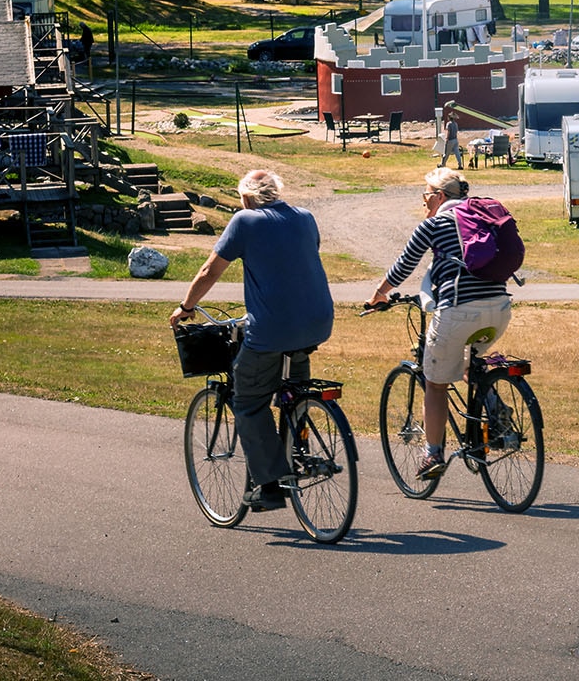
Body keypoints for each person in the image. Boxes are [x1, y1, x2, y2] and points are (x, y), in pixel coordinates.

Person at [169, 170, 334, 512]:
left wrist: (187, 307)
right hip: (318, 324)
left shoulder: (245, 221)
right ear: (277, 192)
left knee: (248, 400)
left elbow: (209, 271)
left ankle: (270, 485)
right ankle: (297, 443)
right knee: (295, 389)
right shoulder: (305, 217)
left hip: (272, 329)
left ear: (246, 197)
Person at [368, 168, 511, 480]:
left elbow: (404, 265)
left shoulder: (434, 224)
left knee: (435, 382)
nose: (423, 202)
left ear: (440, 197)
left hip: (458, 310)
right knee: (468, 360)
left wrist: (379, 295)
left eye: (426, 195)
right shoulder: (485, 216)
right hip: (500, 309)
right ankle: (495, 406)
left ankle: (432, 454)